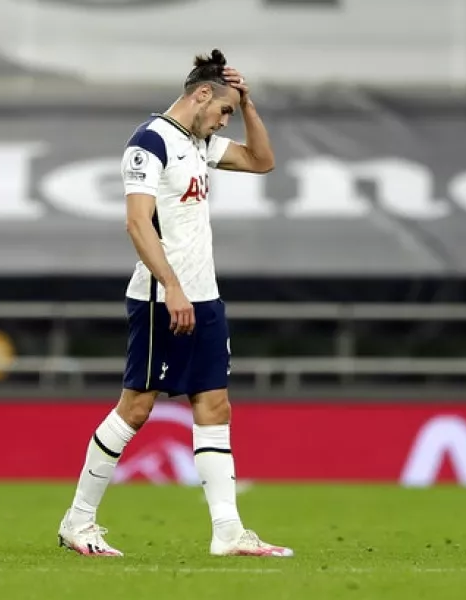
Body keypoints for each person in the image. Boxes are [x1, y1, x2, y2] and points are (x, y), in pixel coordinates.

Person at [57, 49, 292, 558]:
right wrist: (172, 286)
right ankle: (78, 520)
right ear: (202, 94)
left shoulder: (198, 143)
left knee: (214, 405)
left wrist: (248, 103)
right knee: (137, 407)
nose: (225, 120)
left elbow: (262, 160)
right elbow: (137, 223)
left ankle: (228, 531)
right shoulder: (150, 143)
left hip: (204, 296)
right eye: (225, 110)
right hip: (163, 297)